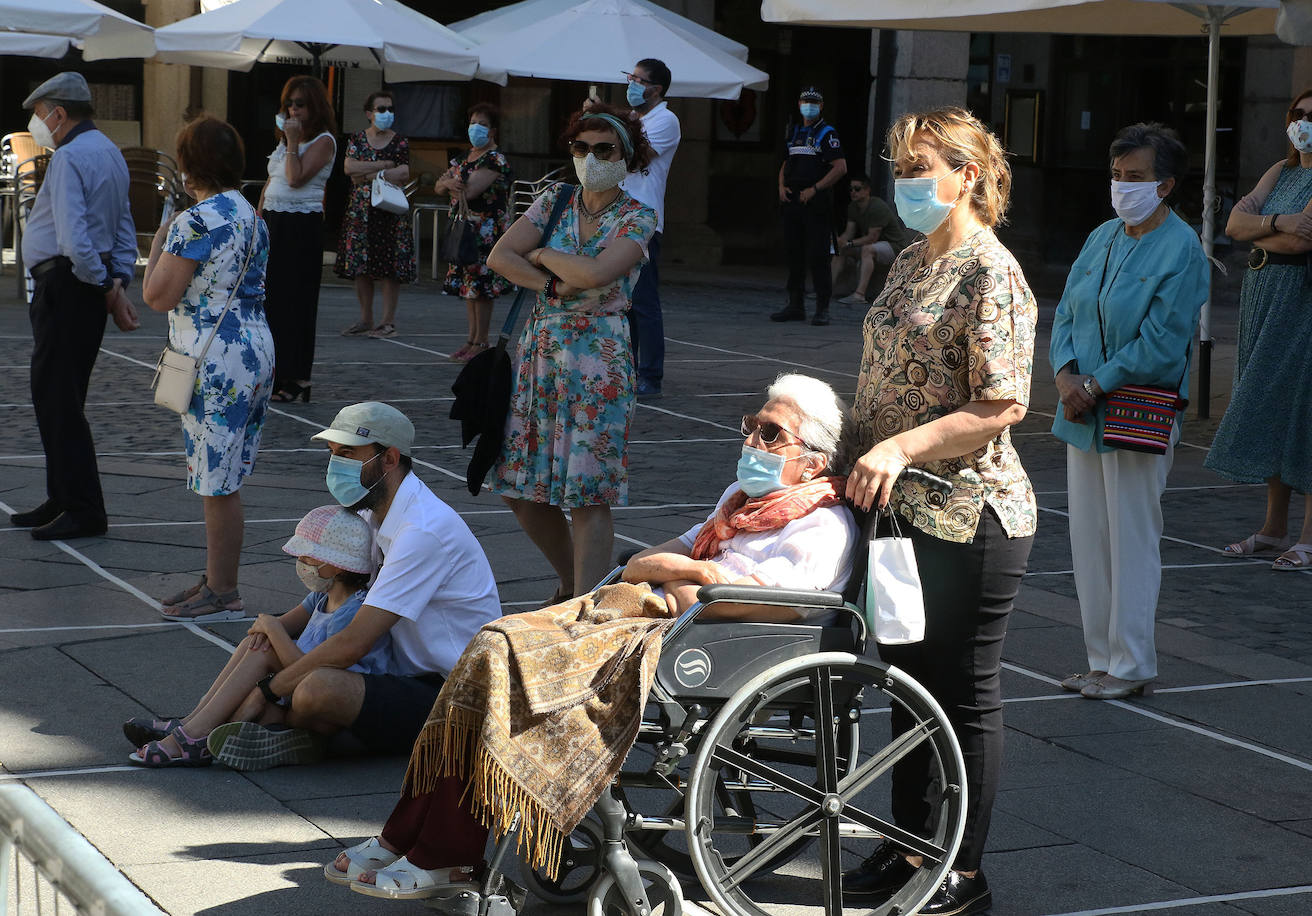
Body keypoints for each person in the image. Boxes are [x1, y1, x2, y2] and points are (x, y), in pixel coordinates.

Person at [325, 375, 858, 899]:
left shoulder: (821, 528)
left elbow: (728, 602)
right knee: (494, 645)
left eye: (770, 434)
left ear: (812, 459)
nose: (751, 441)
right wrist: (693, 572)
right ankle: (413, 835)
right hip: (651, 619)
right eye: (752, 427)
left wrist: (688, 579)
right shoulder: (736, 505)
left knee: (503, 659)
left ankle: (445, 851)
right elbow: (640, 565)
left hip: (697, 643)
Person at [842, 108, 1036, 916]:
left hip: (971, 512)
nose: (906, 181)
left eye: (923, 166)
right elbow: (880, 379)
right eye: (899, 166)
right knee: (910, 685)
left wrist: (901, 448)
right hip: (900, 512)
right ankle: (911, 841)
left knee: (963, 691)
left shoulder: (992, 271)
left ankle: (963, 866)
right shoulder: (911, 261)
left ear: (968, 174)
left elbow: (1001, 404)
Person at [205, 402, 503, 771]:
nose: (335, 465)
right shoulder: (369, 511)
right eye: (332, 454)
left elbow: (353, 644)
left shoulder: (422, 530)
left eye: (347, 453)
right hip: (396, 673)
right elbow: (314, 606)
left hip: (449, 693)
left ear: (390, 459)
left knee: (315, 690)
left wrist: (267, 690)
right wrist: (270, 630)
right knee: (271, 646)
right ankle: (195, 732)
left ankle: (276, 728)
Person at [1050, 124, 1208, 701]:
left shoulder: (1183, 247)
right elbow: (1066, 310)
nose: (1123, 186)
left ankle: (1132, 662)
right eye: (1117, 175)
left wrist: (1095, 381)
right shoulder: (1101, 237)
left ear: (1165, 185)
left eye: (1136, 177)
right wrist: (1065, 373)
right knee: (1089, 538)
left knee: (1132, 537)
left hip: (1135, 409)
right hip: (1081, 409)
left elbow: (1163, 343)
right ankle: (1101, 659)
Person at [486, 104, 657, 601]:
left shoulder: (637, 216)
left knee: (588, 493)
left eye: (604, 149)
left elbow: (599, 274)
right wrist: (554, 284)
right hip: (539, 354)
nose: (591, 158)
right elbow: (500, 256)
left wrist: (539, 255)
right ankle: (573, 585)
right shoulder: (554, 200)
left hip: (597, 361)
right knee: (519, 487)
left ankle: (586, 604)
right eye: (581, 148)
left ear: (627, 155)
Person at [1206, 87, 1312, 572]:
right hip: (1262, 295)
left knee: (1307, 406)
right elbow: (1233, 223)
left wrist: (1268, 228)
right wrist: (1279, 220)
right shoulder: (1283, 169)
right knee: (1271, 402)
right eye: (1297, 113)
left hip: (1308, 301)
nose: (1304, 121)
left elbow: (1302, 241)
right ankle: (1274, 528)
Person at [124, 505, 387, 767]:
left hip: (326, 708)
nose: (301, 564)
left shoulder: (351, 610)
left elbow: (313, 675)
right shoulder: (321, 596)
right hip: (294, 692)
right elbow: (266, 631)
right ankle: (197, 723)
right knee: (257, 648)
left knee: (265, 649)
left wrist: (272, 630)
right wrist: (268, 630)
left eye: (309, 558)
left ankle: (195, 734)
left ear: (339, 567)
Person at [144, 116, 273, 621]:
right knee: (226, 472)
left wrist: (159, 239)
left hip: (212, 357)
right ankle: (217, 579)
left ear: (188, 165)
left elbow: (157, 295)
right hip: (254, 346)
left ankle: (223, 590)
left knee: (216, 479)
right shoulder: (251, 215)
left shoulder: (195, 221)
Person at [10, 71, 139, 541]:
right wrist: (118, 281)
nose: (37, 124)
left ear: (59, 114)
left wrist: (106, 283)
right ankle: (62, 495)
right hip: (84, 285)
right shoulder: (109, 151)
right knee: (63, 395)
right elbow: (124, 229)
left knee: (57, 398)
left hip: (66, 286)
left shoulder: (68, 158)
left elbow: (73, 239)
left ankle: (82, 507)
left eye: (39, 115)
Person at [260, 75, 337, 403]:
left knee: (296, 301)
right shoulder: (283, 142)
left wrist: (292, 142)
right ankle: (274, 371)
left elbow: (294, 178)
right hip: (276, 220)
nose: (293, 110)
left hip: (300, 225)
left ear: (314, 107)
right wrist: (258, 219)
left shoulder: (323, 141)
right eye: (289, 103)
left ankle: (298, 375)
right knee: (271, 299)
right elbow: (271, 182)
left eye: (300, 104)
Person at [620, 57, 681, 399]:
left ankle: (650, 375)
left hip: (643, 218)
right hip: (618, 215)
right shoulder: (633, 118)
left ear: (656, 89)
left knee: (643, 301)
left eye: (638, 80)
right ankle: (625, 368)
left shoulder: (665, 119)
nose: (631, 84)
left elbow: (635, 156)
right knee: (622, 300)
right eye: (629, 76)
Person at [438, 102, 512, 364]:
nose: (476, 129)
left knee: (481, 288)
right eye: (472, 123)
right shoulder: (461, 158)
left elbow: (469, 191)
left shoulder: (494, 160)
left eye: (482, 124)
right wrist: (448, 183)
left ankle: (481, 341)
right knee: (468, 287)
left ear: (493, 130)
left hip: (484, 230)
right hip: (463, 227)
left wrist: (450, 184)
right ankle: (471, 339)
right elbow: (440, 184)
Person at [338, 91, 414, 339]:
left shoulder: (400, 141)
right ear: (369, 113)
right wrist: (383, 165)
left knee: (390, 266)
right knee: (361, 265)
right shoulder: (358, 139)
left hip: (390, 211)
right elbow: (349, 168)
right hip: (361, 211)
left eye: (390, 109)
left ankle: (387, 321)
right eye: (381, 109)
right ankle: (365, 318)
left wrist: (367, 174)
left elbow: (403, 172)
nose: (387, 113)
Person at [772, 86, 847, 326]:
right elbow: (785, 162)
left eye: (814, 102)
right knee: (794, 254)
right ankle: (795, 305)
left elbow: (840, 167)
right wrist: (781, 186)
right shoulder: (794, 132)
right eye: (806, 101)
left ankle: (822, 308)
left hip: (816, 202)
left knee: (818, 255)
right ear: (799, 103)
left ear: (821, 106)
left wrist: (815, 189)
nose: (809, 105)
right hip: (793, 200)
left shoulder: (827, 133)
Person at [832, 173, 911, 306]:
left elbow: (871, 238)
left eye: (857, 189)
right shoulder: (853, 207)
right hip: (876, 245)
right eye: (851, 189)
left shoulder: (877, 207)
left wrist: (849, 243)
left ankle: (859, 295)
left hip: (895, 247)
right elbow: (849, 233)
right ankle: (827, 289)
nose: (853, 192)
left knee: (867, 249)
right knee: (841, 251)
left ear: (867, 190)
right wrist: (839, 242)